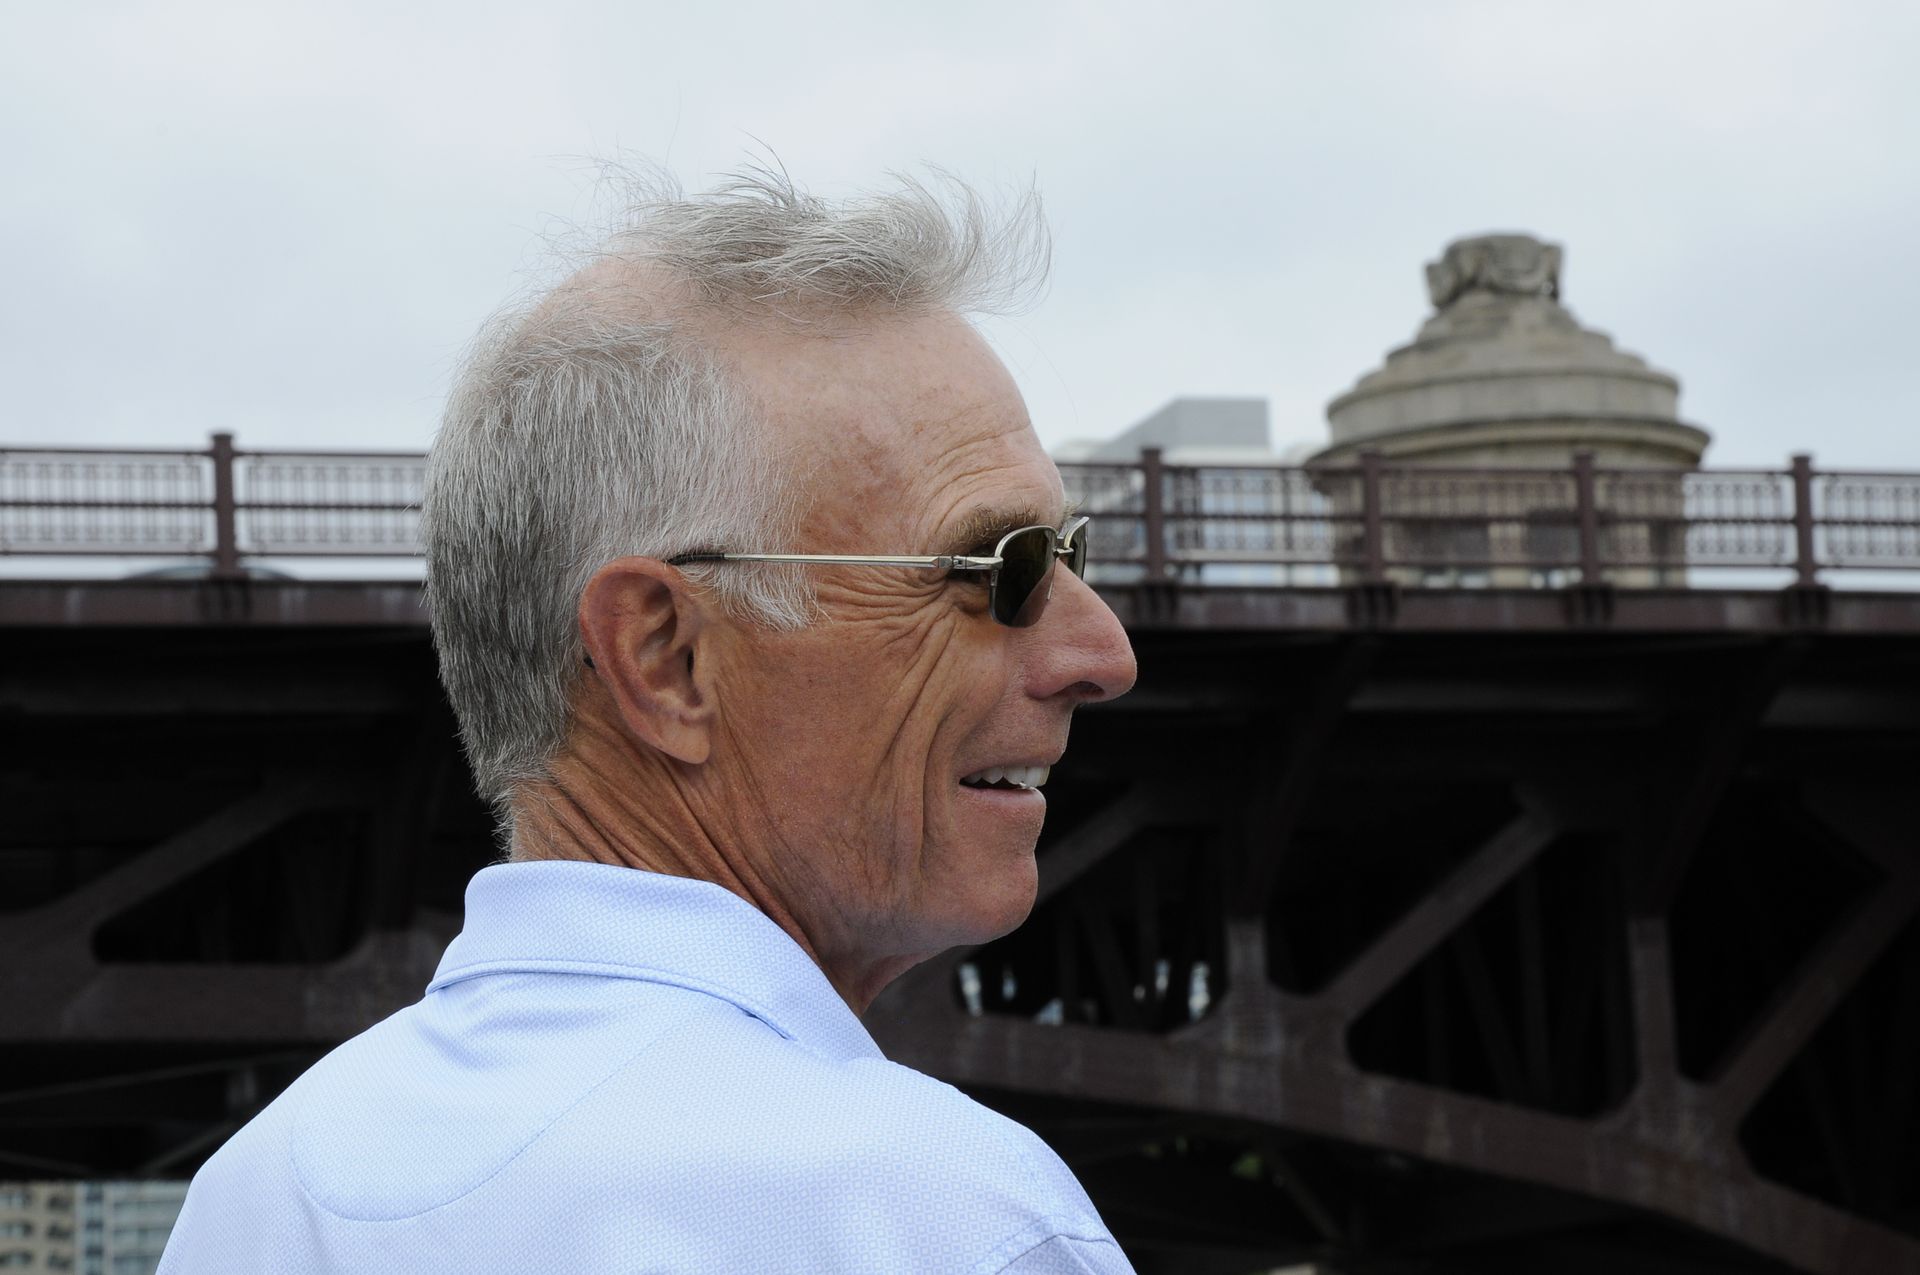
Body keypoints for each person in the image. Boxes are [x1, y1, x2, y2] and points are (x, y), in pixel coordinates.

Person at [157, 167, 1138, 1273]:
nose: (1102, 656)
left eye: (1072, 554)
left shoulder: (254, 1195)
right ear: (665, 657)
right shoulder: (940, 1220)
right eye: (1000, 569)